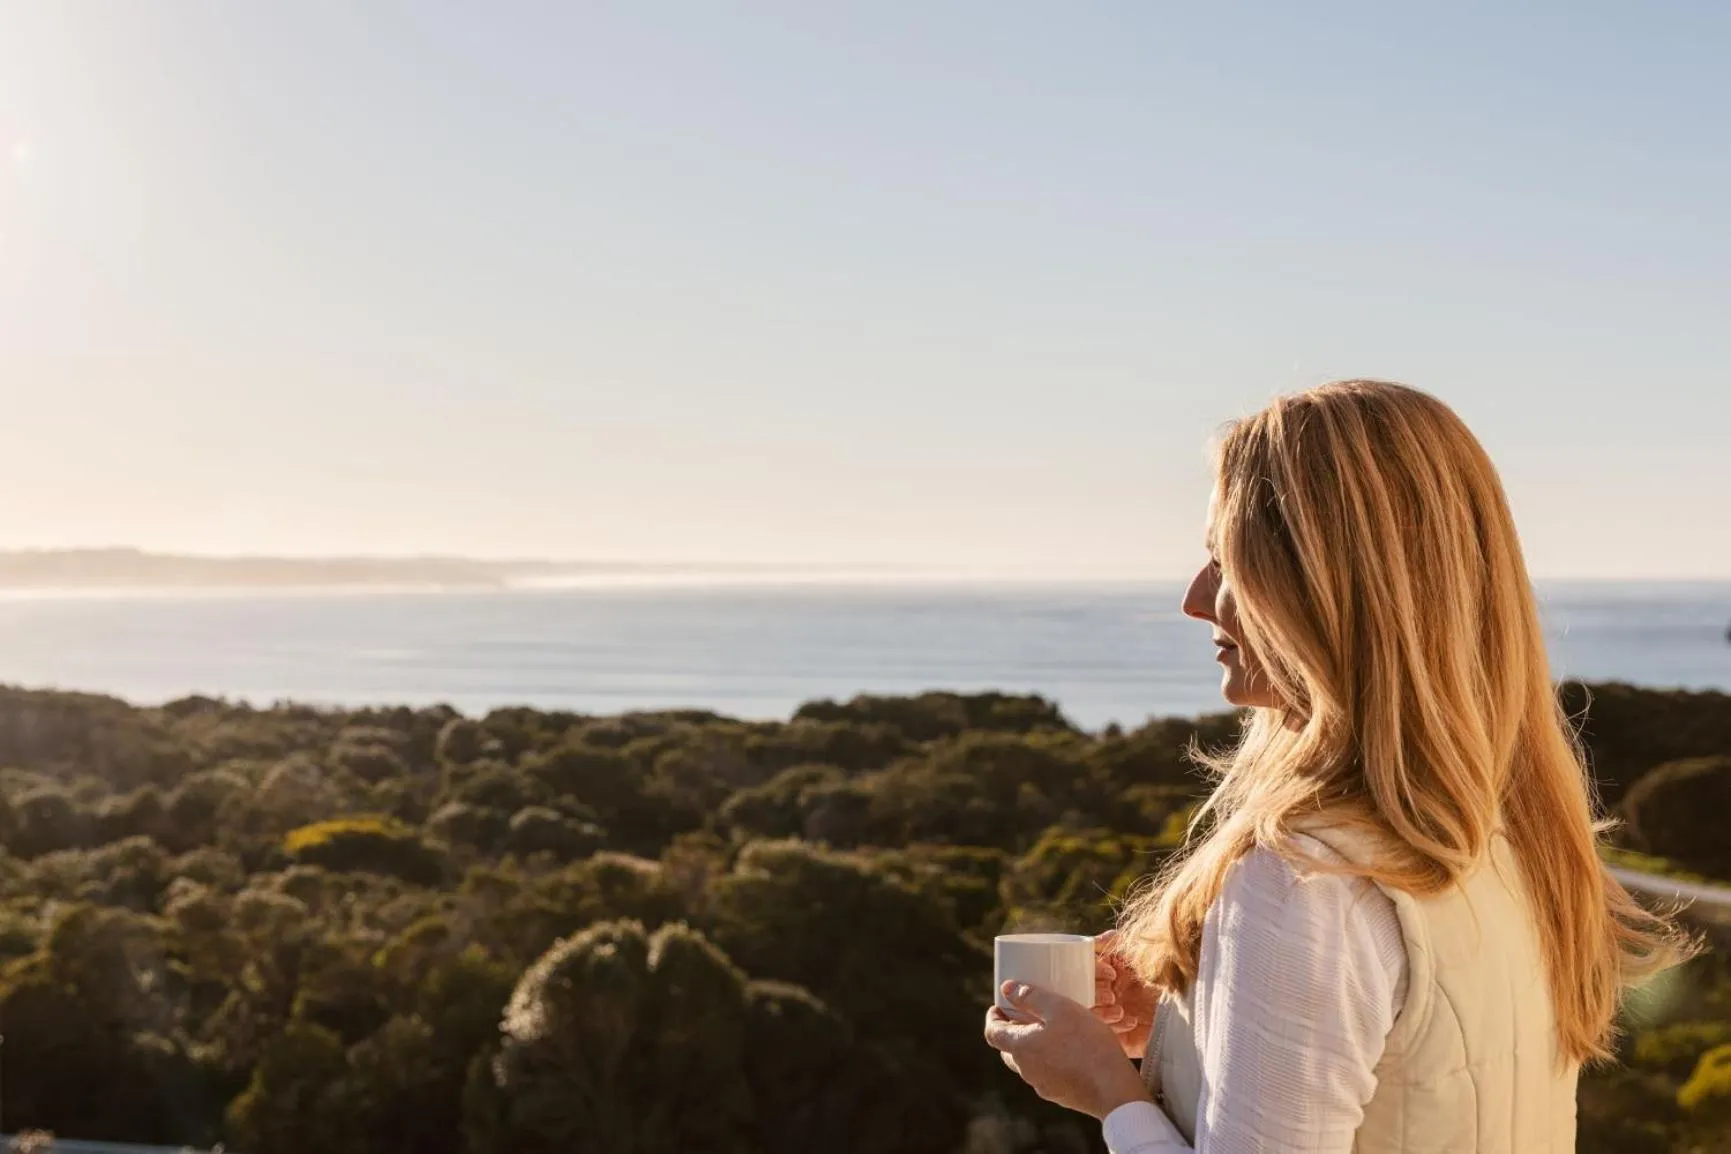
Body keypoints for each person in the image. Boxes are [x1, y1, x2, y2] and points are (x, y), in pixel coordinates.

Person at [983, 380, 1694, 1152]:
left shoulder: (1305, 878)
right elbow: (1408, 1082)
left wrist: (1107, 1094)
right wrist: (1188, 1033)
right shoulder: (1512, 844)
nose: (1194, 600)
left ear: (1324, 588)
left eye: (1229, 563)